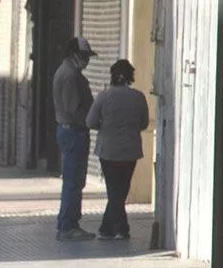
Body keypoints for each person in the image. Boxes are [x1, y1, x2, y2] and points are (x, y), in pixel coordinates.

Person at [87, 59, 150, 241]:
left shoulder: (103, 97)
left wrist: (105, 126)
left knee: (114, 190)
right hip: (130, 150)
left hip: (108, 150)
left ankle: (121, 228)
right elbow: (144, 123)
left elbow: (90, 122)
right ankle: (107, 229)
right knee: (121, 189)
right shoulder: (138, 97)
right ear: (131, 77)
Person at [52, 37, 97, 241]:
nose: (86, 60)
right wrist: (93, 121)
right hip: (73, 132)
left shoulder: (69, 72)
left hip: (70, 131)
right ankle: (69, 225)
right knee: (73, 181)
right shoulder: (70, 75)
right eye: (84, 56)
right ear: (73, 54)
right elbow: (74, 109)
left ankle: (67, 222)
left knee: (73, 180)